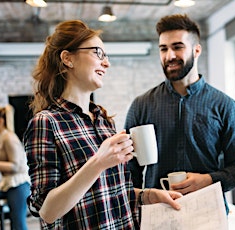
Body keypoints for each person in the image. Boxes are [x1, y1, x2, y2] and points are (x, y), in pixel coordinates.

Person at [23, 20, 182, 229]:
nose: (106, 63)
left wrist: (147, 195)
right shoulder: (46, 123)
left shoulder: (104, 121)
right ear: (67, 58)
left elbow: (108, 192)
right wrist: (98, 162)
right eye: (98, 53)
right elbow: (47, 211)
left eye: (106, 56)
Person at [124, 14, 235, 208]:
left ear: (197, 50)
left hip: (209, 212)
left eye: (177, 47)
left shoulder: (225, 106)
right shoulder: (141, 106)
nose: (169, 56)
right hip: (157, 214)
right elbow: (128, 169)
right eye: (163, 49)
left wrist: (208, 179)